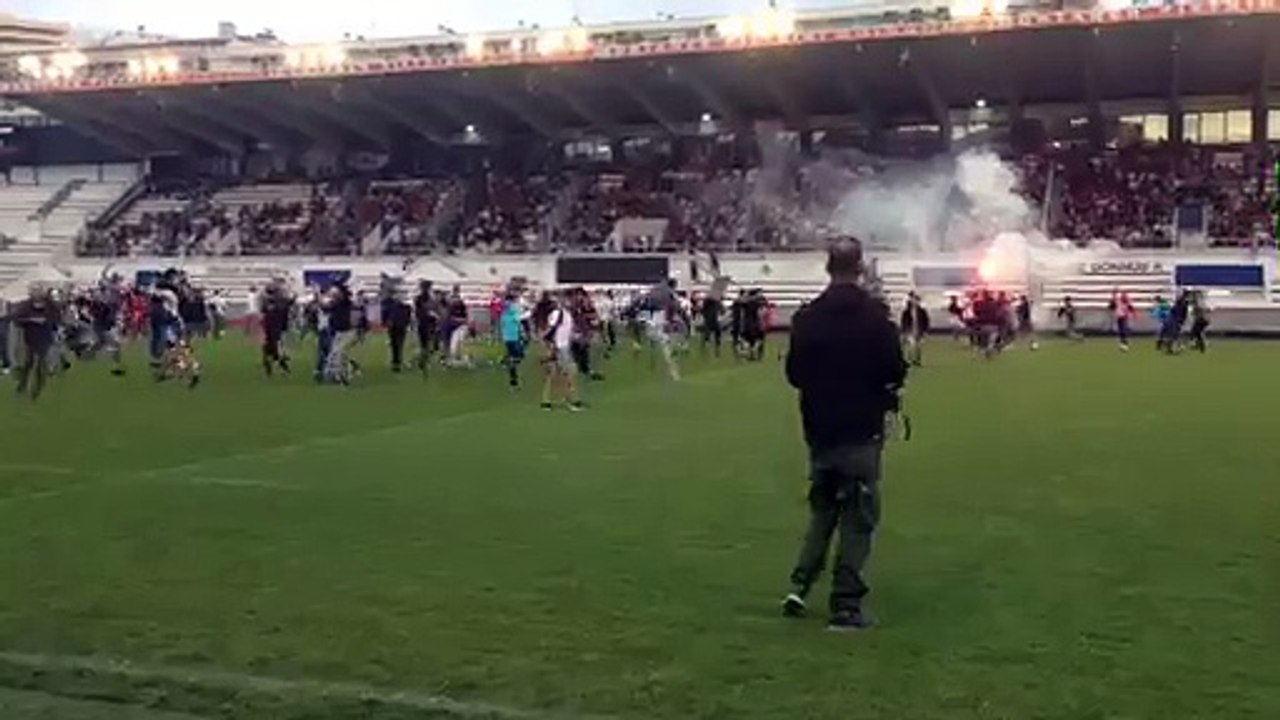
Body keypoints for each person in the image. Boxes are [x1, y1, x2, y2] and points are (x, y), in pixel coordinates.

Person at [782, 239, 908, 631]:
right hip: (860, 430)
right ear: (861, 268)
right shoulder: (875, 317)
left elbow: (794, 375)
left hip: (819, 430)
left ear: (827, 267)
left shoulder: (807, 318)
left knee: (823, 510)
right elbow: (895, 370)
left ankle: (800, 586)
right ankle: (846, 605)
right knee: (858, 518)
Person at [11, 287, 61, 400]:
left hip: (45, 338)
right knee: (28, 364)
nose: (36, 294)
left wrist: (48, 322)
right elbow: (17, 319)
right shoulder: (25, 306)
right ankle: (21, 388)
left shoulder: (51, 306)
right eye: (33, 291)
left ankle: (36, 392)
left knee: (41, 365)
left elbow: (57, 319)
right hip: (30, 339)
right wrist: (31, 320)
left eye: (38, 291)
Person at [540, 290, 584, 411]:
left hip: (562, 346)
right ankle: (571, 401)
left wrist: (576, 336)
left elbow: (564, 332)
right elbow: (550, 330)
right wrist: (551, 347)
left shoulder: (567, 314)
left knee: (554, 374)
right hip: (559, 347)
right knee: (568, 373)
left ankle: (546, 401)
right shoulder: (558, 314)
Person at [498, 289, 526, 390]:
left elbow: (504, 323)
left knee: (515, 357)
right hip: (513, 337)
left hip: (509, 337)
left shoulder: (505, 312)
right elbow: (519, 319)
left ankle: (507, 362)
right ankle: (513, 381)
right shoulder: (512, 309)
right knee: (517, 357)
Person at [383, 290, 413, 372]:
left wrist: (407, 324)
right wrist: (387, 322)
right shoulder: (391, 306)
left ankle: (397, 361)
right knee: (395, 345)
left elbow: (408, 318)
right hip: (394, 328)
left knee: (398, 345)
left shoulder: (406, 308)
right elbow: (386, 316)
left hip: (400, 327)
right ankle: (396, 361)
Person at [899, 292, 929, 367]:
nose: (914, 301)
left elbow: (926, 321)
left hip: (919, 330)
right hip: (910, 330)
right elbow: (903, 320)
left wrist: (925, 331)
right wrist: (904, 330)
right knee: (911, 346)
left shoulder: (922, 311)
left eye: (916, 300)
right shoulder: (907, 310)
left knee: (918, 347)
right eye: (913, 299)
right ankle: (910, 360)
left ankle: (917, 360)